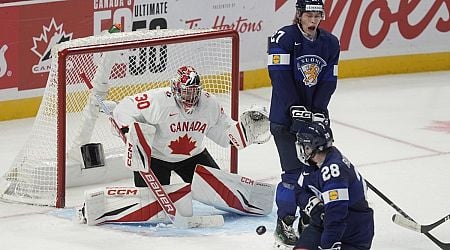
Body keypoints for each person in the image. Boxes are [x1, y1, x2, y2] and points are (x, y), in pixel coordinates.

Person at [112, 65, 270, 186]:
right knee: (150, 203)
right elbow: (125, 106)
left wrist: (244, 131)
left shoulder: (209, 103)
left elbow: (224, 131)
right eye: (187, 91)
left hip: (193, 156)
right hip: (156, 158)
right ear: (175, 88)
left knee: (220, 189)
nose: (191, 97)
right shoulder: (158, 101)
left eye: (195, 92)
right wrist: (127, 128)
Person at [267, 0, 340, 246]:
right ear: (299, 15)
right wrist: (293, 109)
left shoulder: (330, 42)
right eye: (309, 14)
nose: (313, 20)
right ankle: (284, 222)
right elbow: (279, 76)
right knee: (291, 174)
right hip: (284, 120)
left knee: (315, 173)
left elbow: (328, 79)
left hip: (314, 119)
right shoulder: (282, 38)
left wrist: (318, 111)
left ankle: (308, 219)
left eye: (317, 14)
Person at [293, 120, 374, 250]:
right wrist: (314, 206)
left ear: (313, 147)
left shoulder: (334, 171)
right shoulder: (312, 164)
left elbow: (336, 215)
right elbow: (299, 191)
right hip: (322, 224)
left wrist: (328, 245)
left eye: (305, 146)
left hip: (353, 231)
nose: (302, 149)